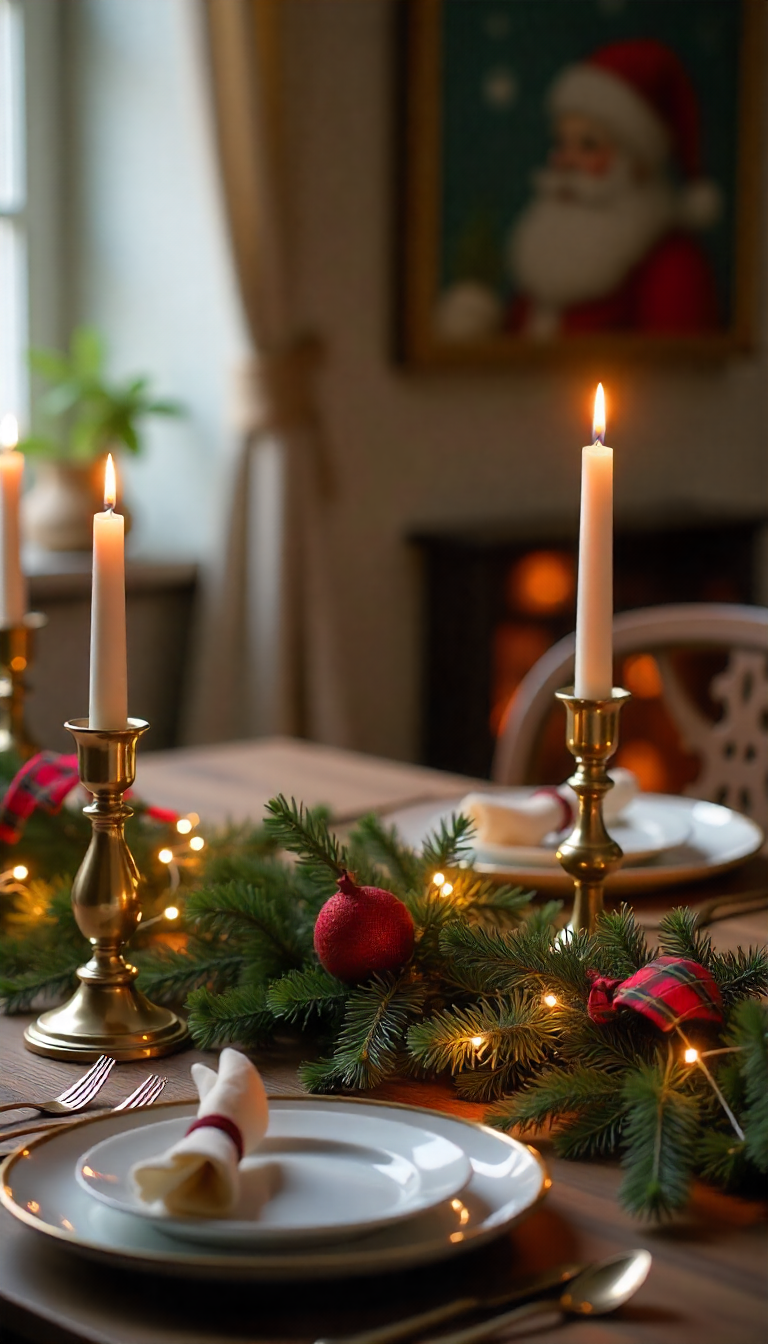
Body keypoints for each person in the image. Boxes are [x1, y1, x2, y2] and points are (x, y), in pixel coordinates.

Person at [434, 39, 722, 342]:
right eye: (562, 144)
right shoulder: (549, 261)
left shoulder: (673, 266)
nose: (566, 161)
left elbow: (675, 363)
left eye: (588, 145)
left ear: (639, 166)